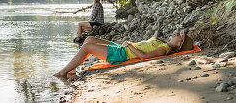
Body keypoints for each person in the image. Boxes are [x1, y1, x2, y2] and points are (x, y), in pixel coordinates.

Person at [54, 31, 193, 78]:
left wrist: (130, 46)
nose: (176, 34)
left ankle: (63, 72)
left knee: (87, 48)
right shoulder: (162, 42)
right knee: (88, 39)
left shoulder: (164, 49)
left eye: (179, 36)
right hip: (124, 48)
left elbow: (143, 57)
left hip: (123, 54)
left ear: (179, 45)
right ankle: (72, 69)